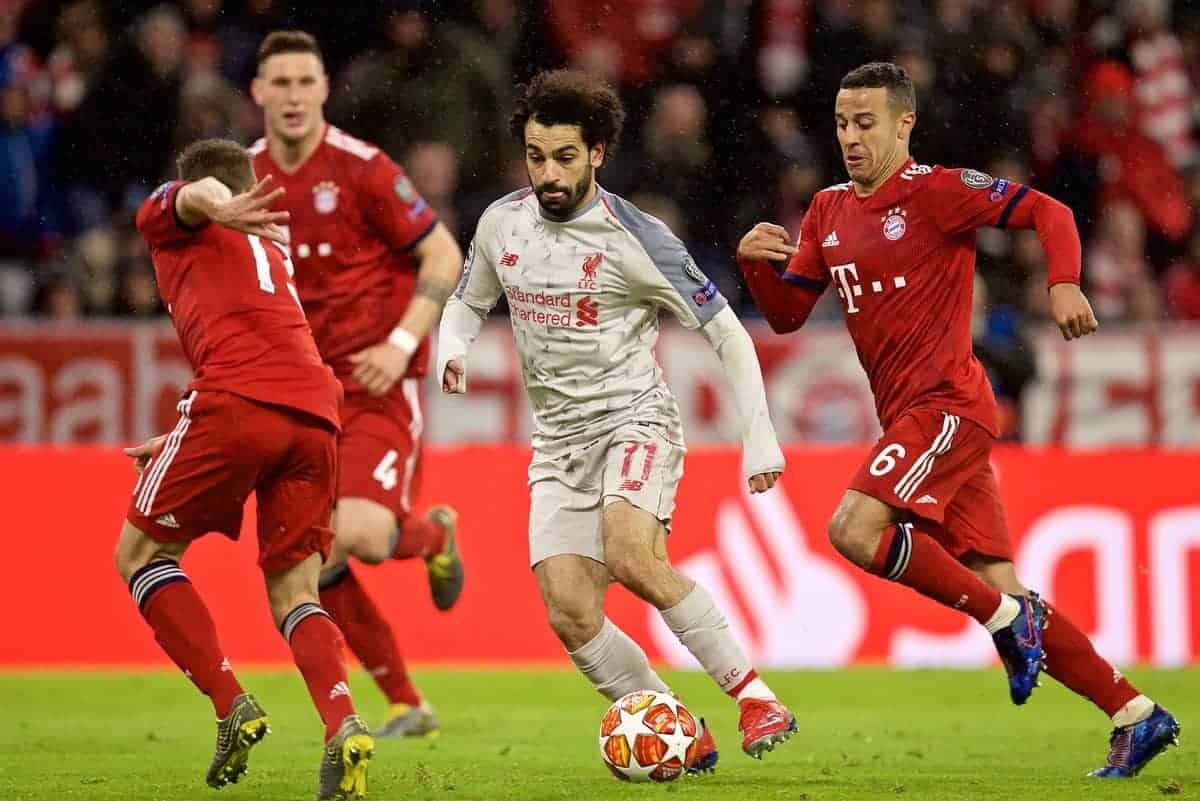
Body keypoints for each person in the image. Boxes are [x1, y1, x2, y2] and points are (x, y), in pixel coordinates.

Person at [736, 61, 1181, 779]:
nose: (850, 136)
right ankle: (1134, 713)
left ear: (904, 122)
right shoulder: (825, 211)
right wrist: (755, 266)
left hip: (947, 406)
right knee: (1000, 583)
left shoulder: (939, 191)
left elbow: (1052, 212)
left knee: (854, 527)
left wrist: (1063, 281)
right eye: (843, 123)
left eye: (866, 122)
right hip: (915, 418)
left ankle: (1008, 623)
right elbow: (787, 315)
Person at [437, 69, 797, 769]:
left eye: (564, 156)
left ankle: (755, 695)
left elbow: (727, 332)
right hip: (557, 442)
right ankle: (673, 726)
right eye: (536, 156)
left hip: (635, 420)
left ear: (597, 151)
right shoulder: (500, 222)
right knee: (569, 610)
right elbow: (467, 300)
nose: (547, 172)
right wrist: (453, 346)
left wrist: (759, 436)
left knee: (631, 554)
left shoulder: (638, 238)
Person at [114, 139, 373, 800]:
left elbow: (192, 198)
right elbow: (258, 345)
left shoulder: (179, 213)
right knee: (295, 592)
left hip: (236, 403)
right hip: (314, 414)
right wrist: (181, 431)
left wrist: (210, 202)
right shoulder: (272, 247)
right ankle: (343, 720)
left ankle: (230, 702)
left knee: (140, 553)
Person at [248, 30, 465, 738]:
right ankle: (405, 701)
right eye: (279, 82)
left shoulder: (363, 169)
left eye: (304, 81)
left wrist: (402, 341)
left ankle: (432, 537)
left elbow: (443, 252)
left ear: (323, 90)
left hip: (374, 384)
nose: (292, 95)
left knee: (362, 535)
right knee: (310, 559)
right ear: (257, 92)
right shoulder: (243, 181)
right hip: (296, 397)